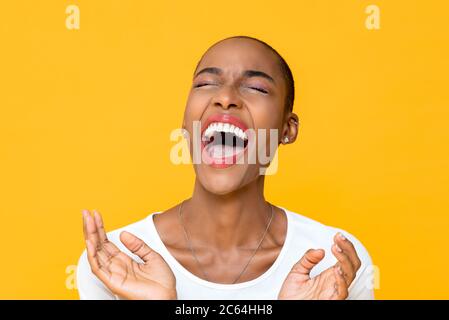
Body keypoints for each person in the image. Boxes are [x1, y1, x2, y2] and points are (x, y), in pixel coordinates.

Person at [77, 35, 375, 300]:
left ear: (287, 128)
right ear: (185, 122)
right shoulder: (114, 262)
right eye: (206, 84)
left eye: (256, 87)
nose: (225, 98)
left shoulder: (335, 263)